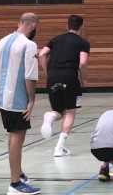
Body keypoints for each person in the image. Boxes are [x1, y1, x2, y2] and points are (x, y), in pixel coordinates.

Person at [0, 13, 42, 195]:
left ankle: (18, 173)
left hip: (2, 98)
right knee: (17, 137)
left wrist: (0, 89)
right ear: (33, 25)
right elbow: (30, 76)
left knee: (13, 136)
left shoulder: (1, 42)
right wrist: (31, 100)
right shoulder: (29, 45)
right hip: (17, 99)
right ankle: (15, 183)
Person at [37, 14, 90, 158]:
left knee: (59, 111)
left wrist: (47, 72)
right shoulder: (82, 42)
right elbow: (83, 63)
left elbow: (42, 54)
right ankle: (59, 148)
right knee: (70, 112)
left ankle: (50, 116)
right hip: (70, 77)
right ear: (81, 26)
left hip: (53, 77)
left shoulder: (55, 39)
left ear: (67, 26)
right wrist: (83, 79)